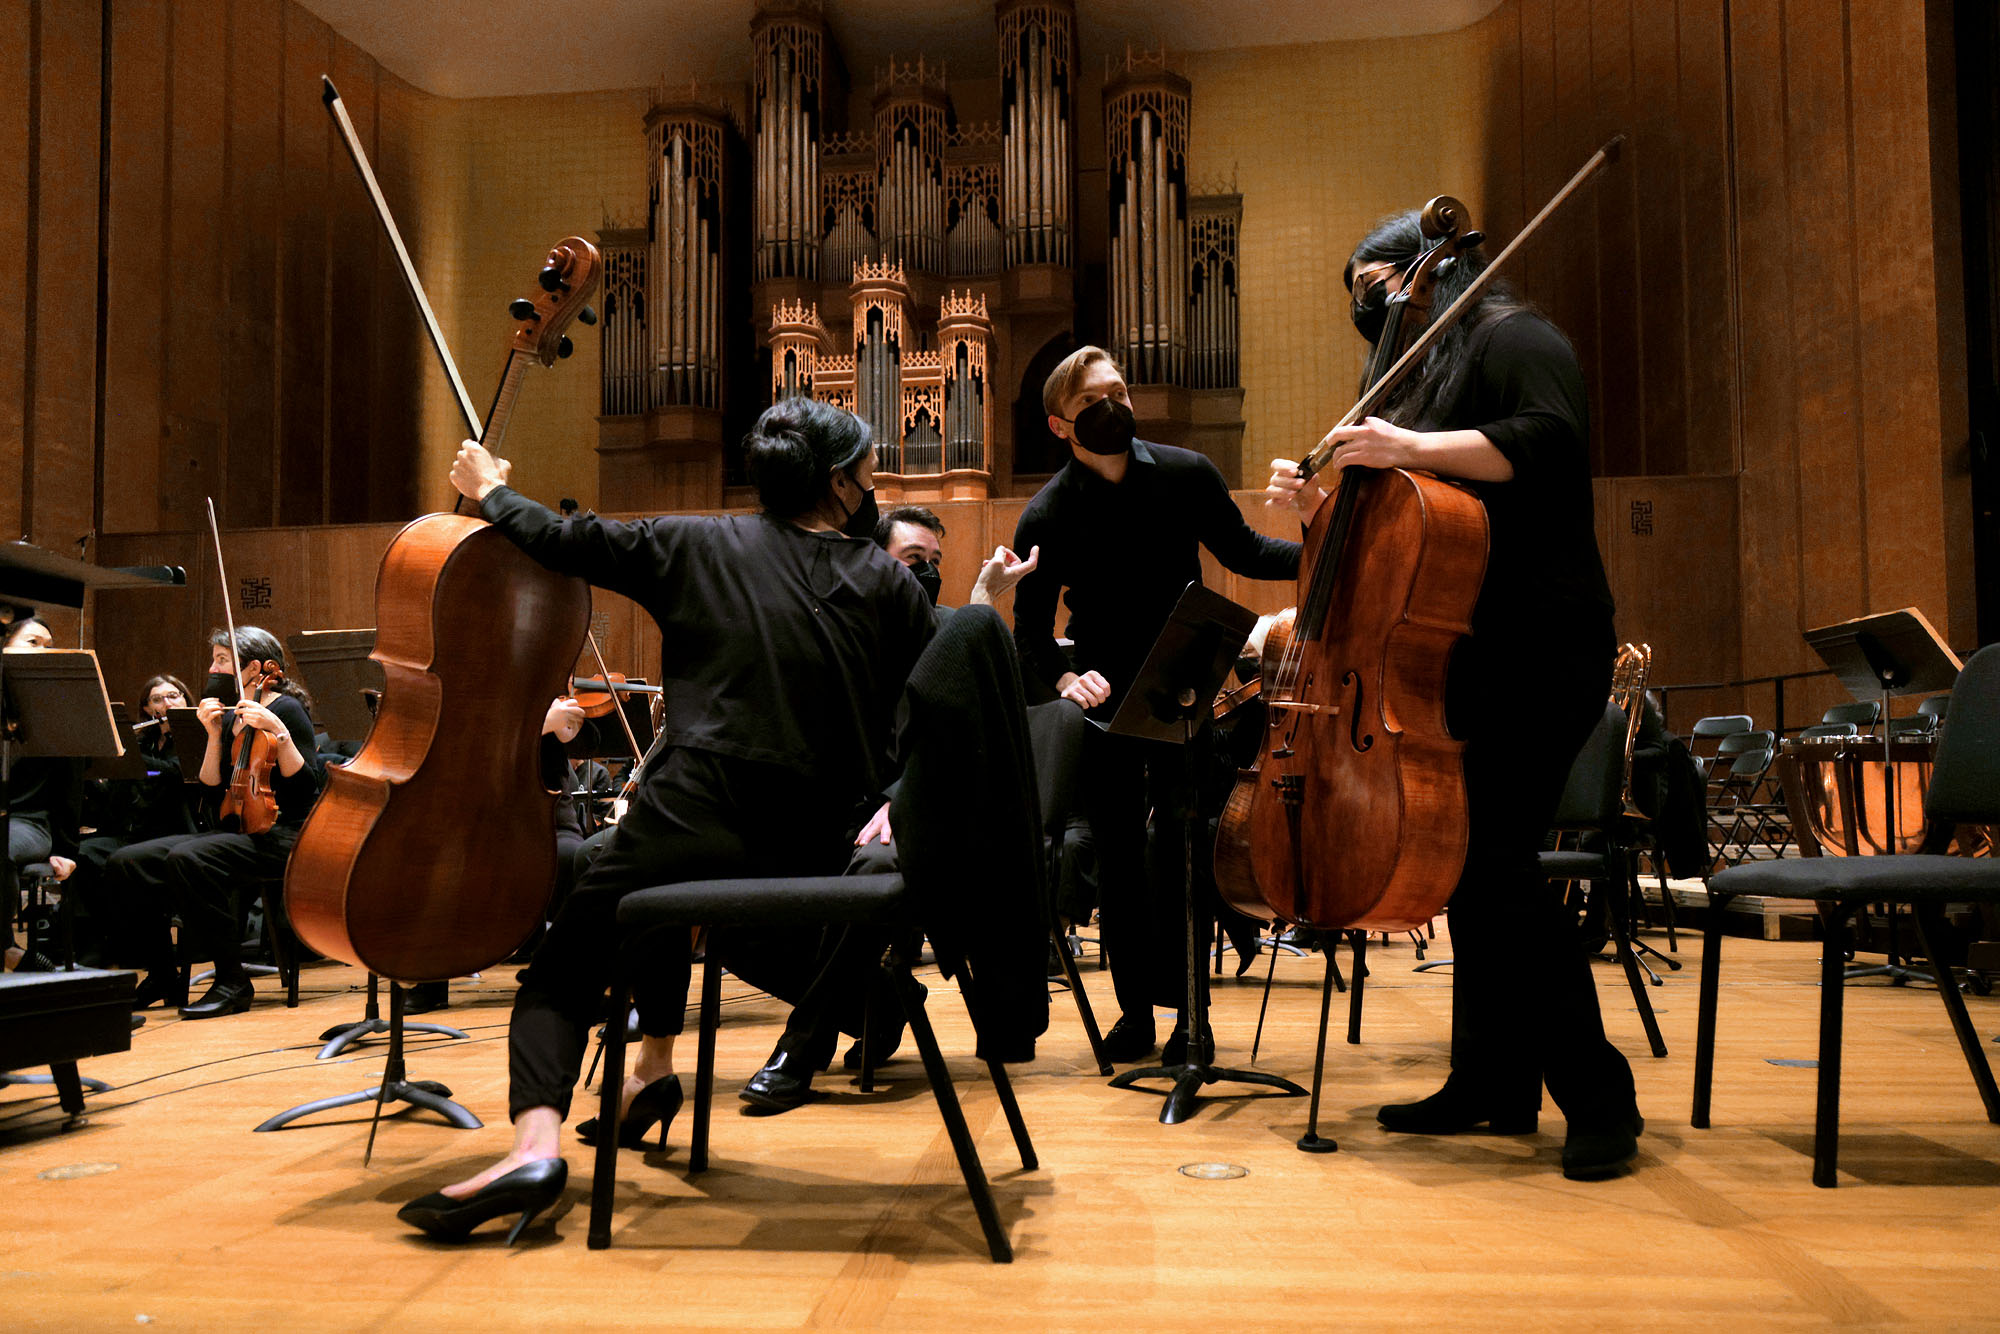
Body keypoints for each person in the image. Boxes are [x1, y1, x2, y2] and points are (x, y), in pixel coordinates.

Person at [396, 396, 936, 1245]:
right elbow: (935, 708)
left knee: (570, 958)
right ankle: (650, 1069)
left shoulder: (694, 542)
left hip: (694, 819)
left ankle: (535, 1146)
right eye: (868, 468)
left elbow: (565, 540)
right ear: (838, 485)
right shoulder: (889, 586)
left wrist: (493, 489)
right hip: (816, 855)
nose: (874, 482)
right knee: (646, 891)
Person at [1264, 208, 1640, 1180]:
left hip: (1542, 639)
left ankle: (1598, 1096)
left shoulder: (1517, 337)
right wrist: (1319, 507)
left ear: (1435, 268)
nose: (1372, 309)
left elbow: (1546, 443)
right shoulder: (1424, 381)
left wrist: (1405, 447)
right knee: (1464, 868)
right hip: (1462, 649)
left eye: (1377, 286)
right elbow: (1402, 528)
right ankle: (1490, 1080)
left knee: (1498, 867)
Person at [1010, 347, 1301, 1064]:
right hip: (1107, 691)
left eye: (1120, 392)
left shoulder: (1185, 473)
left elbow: (1246, 551)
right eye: (1093, 402)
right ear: (1059, 424)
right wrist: (1063, 681)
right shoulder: (1046, 513)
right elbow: (1030, 632)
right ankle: (1136, 1011)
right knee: (1113, 849)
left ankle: (1189, 1018)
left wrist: (1323, 541)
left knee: (1183, 843)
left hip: (1185, 676)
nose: (1116, 406)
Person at [105, 628, 324, 1016]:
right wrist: (213, 736)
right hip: (236, 828)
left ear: (253, 668)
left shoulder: (285, 709)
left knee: (190, 858)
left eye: (222, 660)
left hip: (284, 833)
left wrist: (280, 734)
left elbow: (307, 787)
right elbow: (208, 787)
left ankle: (232, 980)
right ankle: (162, 975)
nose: (212, 667)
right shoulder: (230, 715)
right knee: (127, 861)